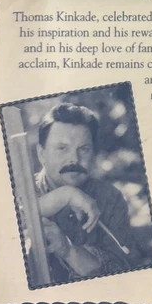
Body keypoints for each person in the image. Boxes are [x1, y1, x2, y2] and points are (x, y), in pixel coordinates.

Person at [33, 102, 139, 283]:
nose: (74, 159)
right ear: (42, 154)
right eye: (62, 148)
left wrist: (68, 250)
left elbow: (123, 274)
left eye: (84, 149)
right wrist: (65, 195)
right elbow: (8, 225)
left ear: (94, 153)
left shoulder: (110, 198)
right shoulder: (18, 191)